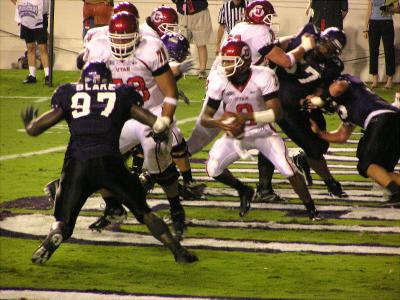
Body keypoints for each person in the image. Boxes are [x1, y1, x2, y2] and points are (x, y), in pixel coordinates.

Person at [23, 61, 198, 264]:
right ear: (108, 79)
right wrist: (161, 127)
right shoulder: (121, 94)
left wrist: (30, 123)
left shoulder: (69, 93)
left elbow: (36, 129)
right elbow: (153, 121)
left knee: (63, 221)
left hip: (77, 163)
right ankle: (178, 251)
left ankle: (57, 235)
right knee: (145, 212)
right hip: (110, 162)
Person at [187, 0, 317, 203]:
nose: (269, 22)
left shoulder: (240, 27)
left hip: (223, 83)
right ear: (260, 18)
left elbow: (269, 48)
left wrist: (293, 38)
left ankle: (264, 187)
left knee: (199, 141)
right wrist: (304, 46)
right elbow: (285, 61)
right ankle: (157, 173)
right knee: (198, 142)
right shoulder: (260, 32)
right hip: (232, 87)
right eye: (267, 18)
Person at [82, 12, 197, 239]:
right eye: (117, 38)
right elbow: (86, 87)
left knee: (158, 160)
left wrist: (164, 121)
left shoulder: (151, 48)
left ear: (138, 35)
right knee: (96, 158)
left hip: (149, 113)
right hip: (119, 115)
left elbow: (170, 91)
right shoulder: (98, 47)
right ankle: (113, 207)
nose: (122, 44)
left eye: (127, 38)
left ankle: (176, 208)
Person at [200, 40, 321, 220]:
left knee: (288, 169)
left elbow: (277, 113)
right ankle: (244, 190)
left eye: (230, 61)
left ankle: (311, 209)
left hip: (263, 131)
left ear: (244, 61)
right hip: (235, 134)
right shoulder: (219, 80)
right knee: (213, 168)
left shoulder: (263, 75)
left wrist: (247, 117)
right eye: (224, 61)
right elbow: (205, 118)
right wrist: (222, 124)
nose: (225, 65)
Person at [275, 26, 349, 198]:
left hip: (304, 102)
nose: (325, 49)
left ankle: (302, 159)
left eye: (331, 49)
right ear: (320, 38)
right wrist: (299, 45)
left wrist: (319, 99)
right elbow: (278, 50)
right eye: (325, 44)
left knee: (322, 141)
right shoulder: (305, 40)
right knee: (313, 147)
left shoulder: (333, 66)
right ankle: (330, 182)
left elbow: (321, 89)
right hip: (284, 103)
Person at [310, 74, 400, 207]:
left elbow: (338, 87)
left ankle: (396, 194)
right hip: (391, 120)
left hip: (381, 119)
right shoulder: (345, 105)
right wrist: (320, 134)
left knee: (366, 165)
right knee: (381, 172)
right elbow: (342, 135)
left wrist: (320, 97)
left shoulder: (344, 81)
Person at [12, 0, 50, 85]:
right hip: (26, 17)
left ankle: (48, 75)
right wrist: (21, 6)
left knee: (42, 47)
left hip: (40, 17)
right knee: (30, 47)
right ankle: (32, 75)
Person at [171, 0, 212, 79]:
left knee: (201, 43)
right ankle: (179, 69)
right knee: (180, 44)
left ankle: (202, 70)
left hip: (199, 12)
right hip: (183, 13)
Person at [364, 0, 396, 89]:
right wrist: (365, 28)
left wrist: (389, 8)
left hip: (387, 22)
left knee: (389, 50)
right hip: (373, 23)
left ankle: (389, 78)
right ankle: (375, 78)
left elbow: (395, 8)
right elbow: (369, 10)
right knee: (373, 50)